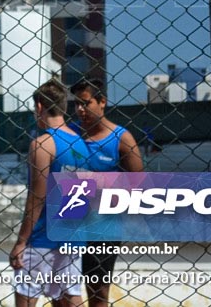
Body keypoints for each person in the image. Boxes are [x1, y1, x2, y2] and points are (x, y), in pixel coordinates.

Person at [10, 82, 90, 307]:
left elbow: (37, 196)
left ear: (38, 106)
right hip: (73, 235)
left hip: (42, 238)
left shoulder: (42, 143)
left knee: (27, 297)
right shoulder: (80, 144)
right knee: (69, 297)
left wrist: (21, 241)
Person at [70, 79, 143, 307]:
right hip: (68, 222)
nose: (80, 109)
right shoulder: (69, 135)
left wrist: (98, 183)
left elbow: (139, 186)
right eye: (76, 104)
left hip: (103, 227)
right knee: (62, 289)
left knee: (98, 292)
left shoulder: (121, 139)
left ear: (102, 102)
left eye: (85, 103)